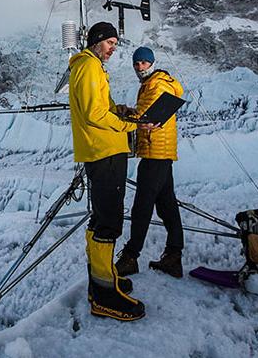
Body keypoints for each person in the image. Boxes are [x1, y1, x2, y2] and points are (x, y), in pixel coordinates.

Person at [68, 21, 152, 321]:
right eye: (110, 43)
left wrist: (120, 110)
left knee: (101, 219)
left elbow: (100, 107)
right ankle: (104, 297)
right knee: (109, 223)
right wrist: (133, 124)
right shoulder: (89, 67)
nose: (113, 48)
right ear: (96, 41)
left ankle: (101, 283)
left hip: (102, 151)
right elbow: (93, 114)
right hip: (104, 152)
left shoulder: (90, 67)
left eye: (115, 44)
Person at [115, 46, 185, 279]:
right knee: (166, 206)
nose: (140, 67)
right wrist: (129, 111)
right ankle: (174, 257)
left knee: (142, 207)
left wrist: (120, 114)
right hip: (159, 153)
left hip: (156, 153)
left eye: (144, 63)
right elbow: (145, 113)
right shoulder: (152, 83)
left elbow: (147, 117)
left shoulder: (157, 84)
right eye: (136, 64)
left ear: (152, 63)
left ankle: (130, 257)